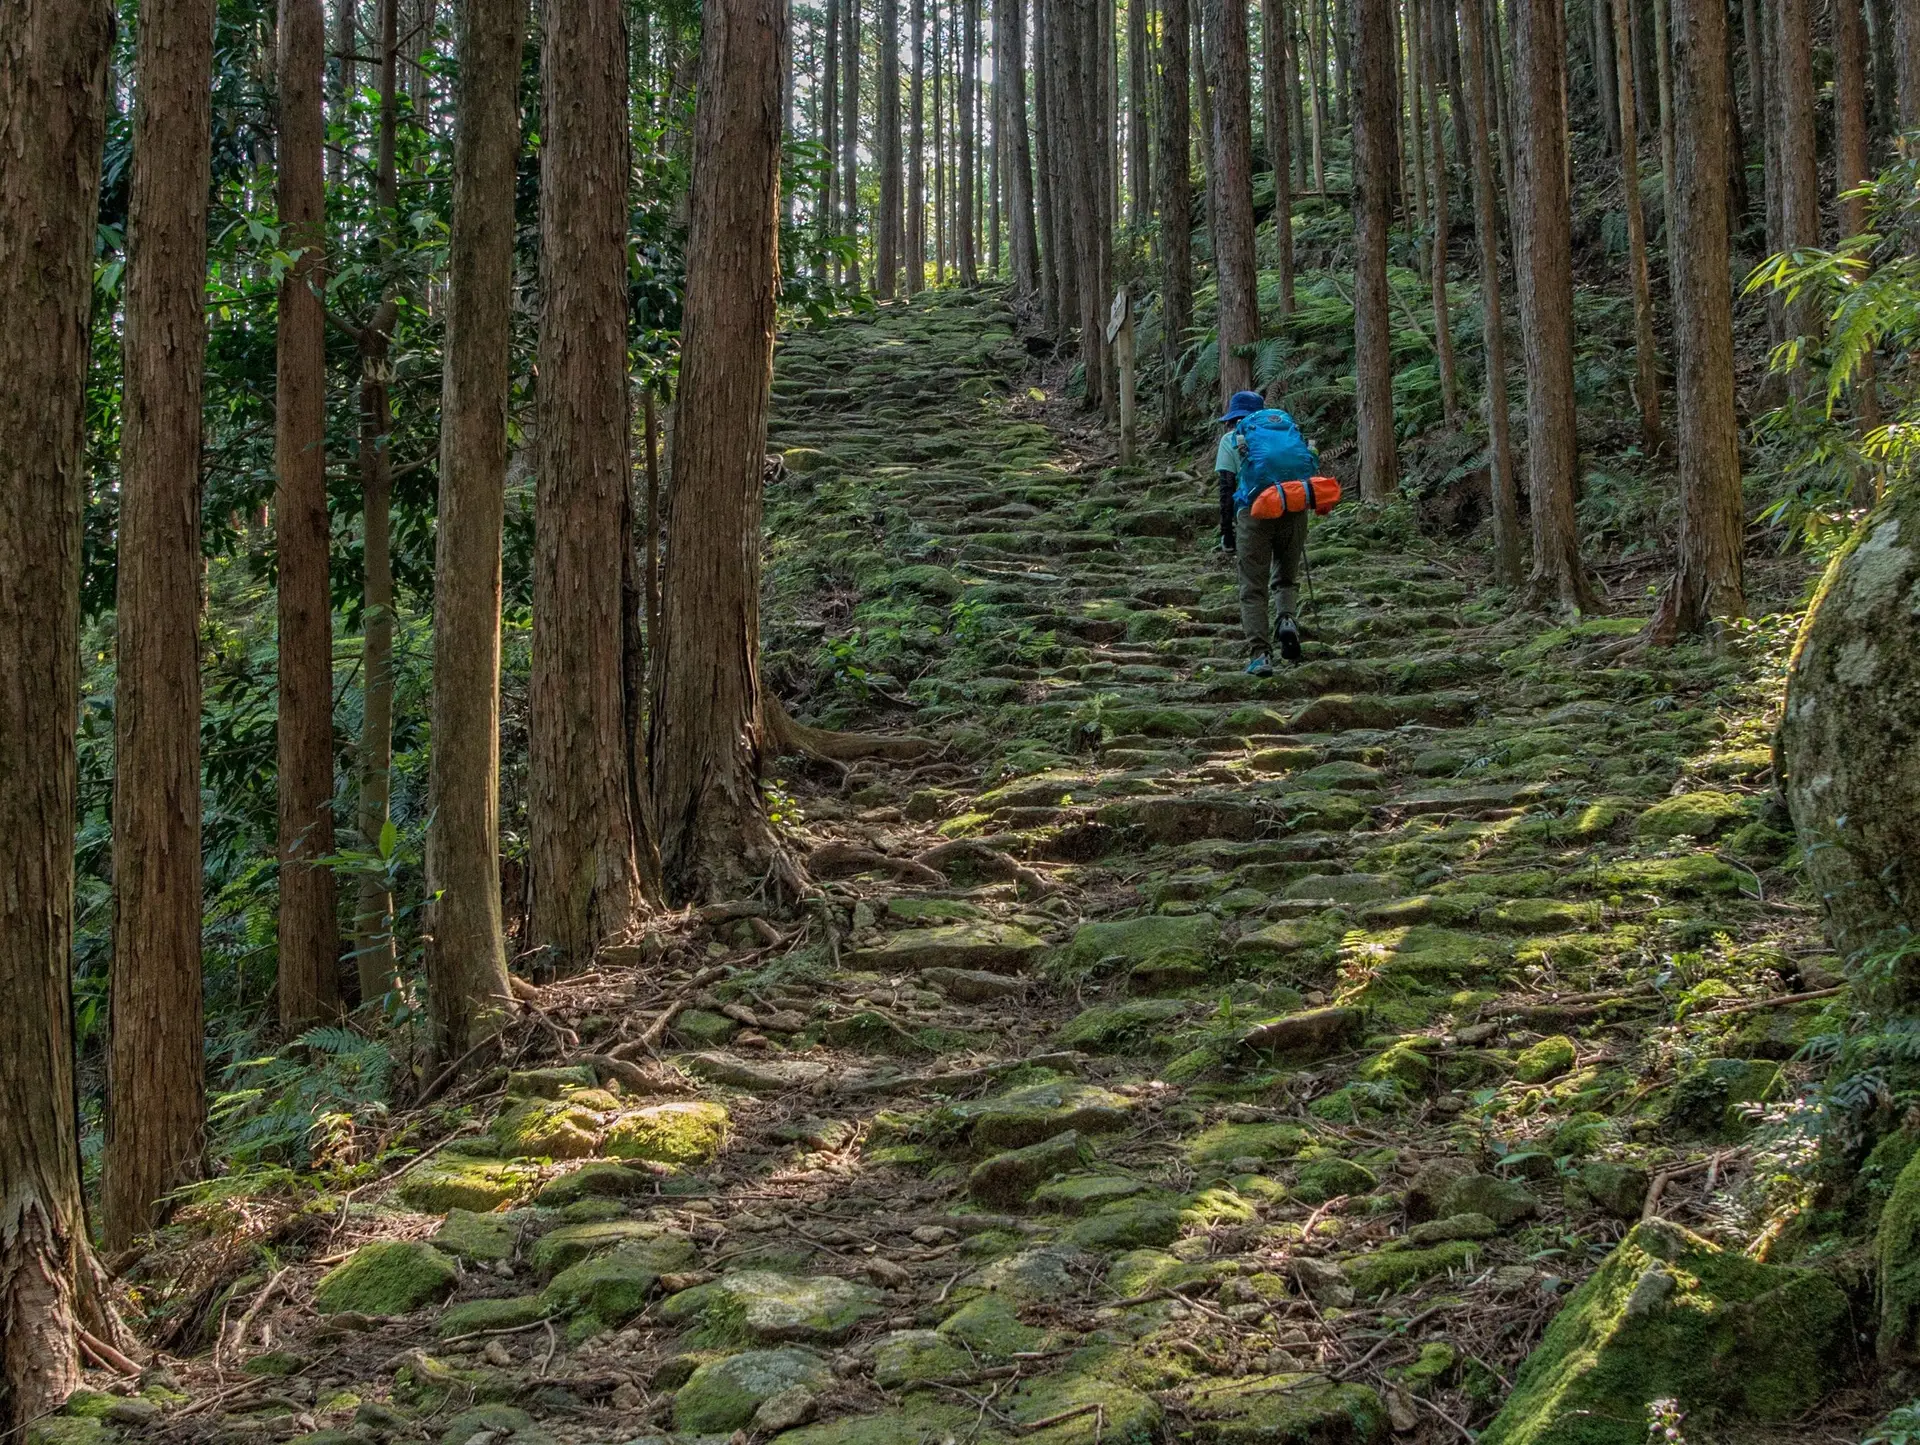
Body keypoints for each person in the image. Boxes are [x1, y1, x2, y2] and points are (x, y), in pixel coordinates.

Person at [1215, 389, 1312, 677]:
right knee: (1286, 578)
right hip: (1293, 508)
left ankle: (1261, 654)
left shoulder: (1231, 439)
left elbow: (1226, 488)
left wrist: (1227, 532)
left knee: (1253, 587)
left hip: (1254, 513)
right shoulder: (1285, 432)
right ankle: (1286, 620)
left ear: (1233, 418)